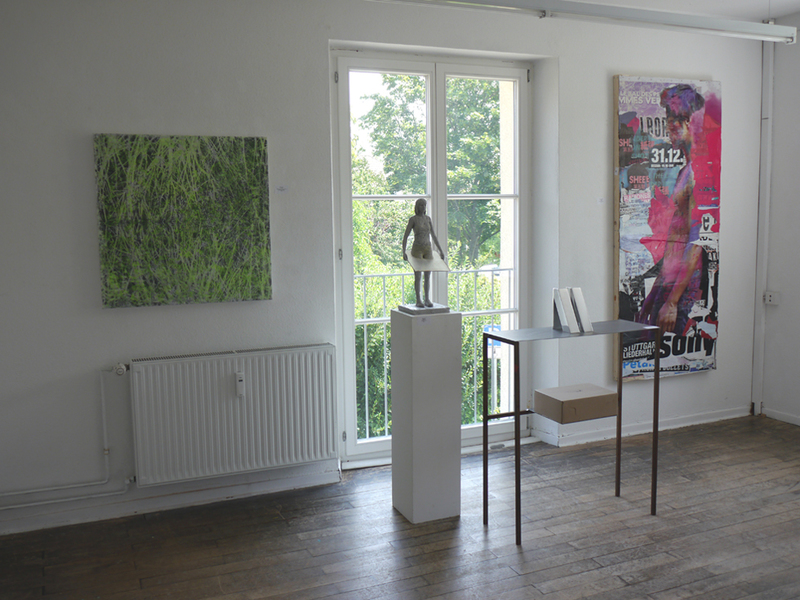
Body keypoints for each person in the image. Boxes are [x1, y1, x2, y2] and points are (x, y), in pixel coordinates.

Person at [636, 84, 705, 334]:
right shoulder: (686, 170)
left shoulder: (698, 173)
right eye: (668, 120)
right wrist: (656, 290)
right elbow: (675, 237)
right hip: (670, 282)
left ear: (689, 122)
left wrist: (673, 302)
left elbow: (696, 241)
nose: (669, 128)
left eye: (673, 120)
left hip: (682, 288)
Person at [402, 198, 445, 308]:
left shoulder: (428, 219)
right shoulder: (413, 220)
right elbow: (405, 236)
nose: (423, 207)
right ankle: (418, 299)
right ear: (417, 207)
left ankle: (427, 299)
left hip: (427, 248)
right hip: (417, 248)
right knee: (418, 275)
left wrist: (440, 250)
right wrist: (403, 251)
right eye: (420, 205)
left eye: (424, 205)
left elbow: (433, 236)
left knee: (427, 275)